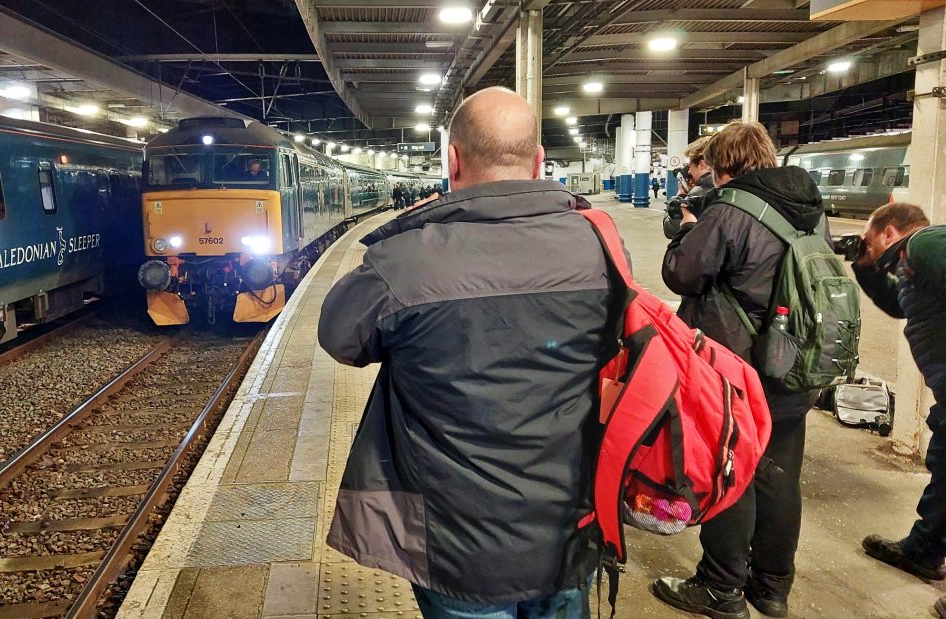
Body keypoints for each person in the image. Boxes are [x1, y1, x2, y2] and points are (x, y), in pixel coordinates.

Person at [318, 86, 615, 618]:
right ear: (539, 162)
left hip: (453, 544)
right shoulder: (600, 246)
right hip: (572, 525)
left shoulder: (407, 260)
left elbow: (340, 337)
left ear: (451, 160)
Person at [654, 121, 825, 619]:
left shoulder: (731, 210)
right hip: (794, 368)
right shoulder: (811, 213)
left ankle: (720, 587)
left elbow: (682, 273)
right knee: (779, 476)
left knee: (731, 472)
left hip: (739, 372)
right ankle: (771, 587)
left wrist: (689, 228)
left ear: (722, 164)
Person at [853, 203, 946, 617]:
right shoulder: (910, 262)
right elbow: (898, 304)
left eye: (869, 240)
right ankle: (923, 551)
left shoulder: (926, 243)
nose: (868, 247)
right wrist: (865, 267)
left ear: (889, 232)